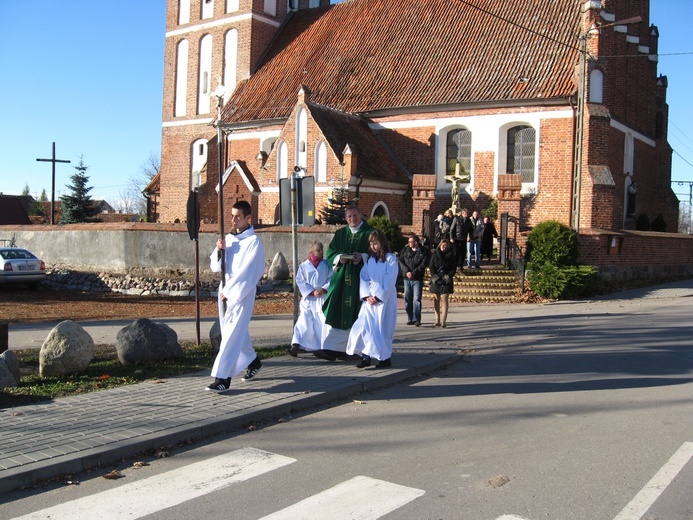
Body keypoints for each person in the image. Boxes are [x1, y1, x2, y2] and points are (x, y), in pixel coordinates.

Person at [206, 200, 266, 392]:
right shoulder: (229, 238)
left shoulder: (253, 243)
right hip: (224, 292)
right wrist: (219, 250)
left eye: (238, 217)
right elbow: (216, 267)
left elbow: (250, 272)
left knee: (231, 335)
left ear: (248, 218)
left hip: (241, 294)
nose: (233, 220)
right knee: (234, 331)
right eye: (232, 216)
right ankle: (253, 361)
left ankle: (223, 378)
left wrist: (231, 293)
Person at [319, 205, 375, 361]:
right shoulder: (340, 234)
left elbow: (378, 252)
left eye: (355, 215)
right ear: (345, 218)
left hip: (361, 281)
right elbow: (331, 253)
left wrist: (362, 257)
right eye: (349, 216)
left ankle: (357, 349)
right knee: (338, 311)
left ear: (361, 216)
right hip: (342, 281)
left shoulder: (370, 233)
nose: (352, 219)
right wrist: (339, 258)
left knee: (359, 315)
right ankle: (333, 349)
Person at [346, 229, 399, 368]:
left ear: (382, 243)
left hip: (383, 300)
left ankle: (385, 359)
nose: (373, 247)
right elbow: (364, 277)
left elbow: (390, 278)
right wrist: (367, 295)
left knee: (382, 328)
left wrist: (378, 296)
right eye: (371, 244)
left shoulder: (390, 259)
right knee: (364, 327)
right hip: (369, 298)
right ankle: (366, 356)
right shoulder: (370, 260)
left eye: (376, 243)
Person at [289, 241, 332, 357]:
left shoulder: (327, 264)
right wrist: (312, 292)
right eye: (318, 250)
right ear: (311, 252)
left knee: (322, 322)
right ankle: (296, 344)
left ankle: (323, 347)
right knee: (304, 320)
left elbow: (331, 278)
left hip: (322, 297)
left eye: (322, 250)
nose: (321, 252)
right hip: (309, 299)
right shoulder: (304, 266)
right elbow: (300, 281)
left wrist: (323, 289)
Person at [398, 233, 428, 326]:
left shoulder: (423, 251)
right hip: (407, 278)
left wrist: (414, 273)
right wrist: (407, 271)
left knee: (417, 299)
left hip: (417, 278)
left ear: (416, 242)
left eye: (411, 241)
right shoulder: (405, 250)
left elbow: (423, 264)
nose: (409, 243)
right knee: (407, 299)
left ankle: (416, 319)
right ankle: (410, 317)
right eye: (408, 241)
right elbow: (400, 260)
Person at [429, 238, 456, 328]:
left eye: (446, 246)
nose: (444, 247)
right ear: (440, 245)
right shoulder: (435, 255)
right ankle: (437, 318)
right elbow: (431, 266)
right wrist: (434, 276)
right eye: (443, 245)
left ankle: (444, 320)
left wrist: (448, 276)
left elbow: (453, 268)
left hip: (446, 278)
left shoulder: (451, 255)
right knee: (436, 299)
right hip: (436, 278)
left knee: (445, 299)